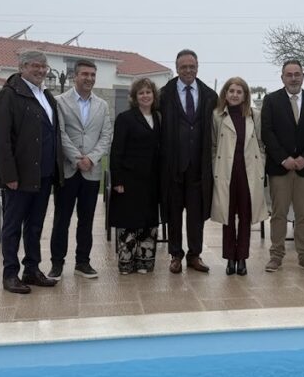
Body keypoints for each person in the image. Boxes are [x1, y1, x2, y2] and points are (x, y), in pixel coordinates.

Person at [0, 49, 63, 294]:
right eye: (35, 66)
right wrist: (9, 175)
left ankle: (32, 269)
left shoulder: (46, 96)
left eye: (44, 66)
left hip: (43, 174)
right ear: (22, 67)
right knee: (12, 227)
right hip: (19, 177)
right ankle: (10, 274)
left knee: (35, 226)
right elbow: (1, 140)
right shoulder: (9, 95)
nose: (41, 70)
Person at [260, 60, 304, 273]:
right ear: (282, 77)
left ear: (303, 76)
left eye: (297, 74)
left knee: (303, 214)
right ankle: (276, 256)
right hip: (280, 168)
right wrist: (283, 158)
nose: (293, 78)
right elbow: (267, 132)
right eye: (289, 75)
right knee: (279, 213)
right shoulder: (271, 100)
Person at [50, 59, 113, 279]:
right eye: (85, 74)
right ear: (75, 76)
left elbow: (106, 136)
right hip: (68, 170)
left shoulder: (102, 105)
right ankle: (57, 264)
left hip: (91, 172)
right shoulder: (59, 102)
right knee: (62, 219)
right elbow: (59, 133)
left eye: (93, 75)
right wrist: (77, 159)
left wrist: (91, 159)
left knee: (87, 220)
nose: (89, 78)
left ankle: (83, 262)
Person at [159, 49, 218, 274]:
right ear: (177, 68)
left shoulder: (210, 95)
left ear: (197, 67)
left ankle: (195, 255)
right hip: (172, 166)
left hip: (198, 166)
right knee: (174, 213)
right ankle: (176, 255)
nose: (188, 70)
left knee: (196, 215)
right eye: (183, 67)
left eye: (192, 66)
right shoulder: (164, 94)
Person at [211, 77, 267, 275]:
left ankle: (242, 257)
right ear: (225, 94)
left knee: (245, 216)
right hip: (226, 172)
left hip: (248, 172)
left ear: (245, 96)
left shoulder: (255, 115)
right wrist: (215, 168)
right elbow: (213, 146)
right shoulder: (217, 116)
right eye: (231, 91)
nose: (234, 95)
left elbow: (261, 144)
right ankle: (229, 258)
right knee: (227, 217)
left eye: (239, 92)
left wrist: (261, 166)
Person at [109, 78, 162, 274]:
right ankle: (126, 262)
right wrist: (117, 180)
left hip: (151, 179)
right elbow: (116, 151)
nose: (145, 96)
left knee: (148, 221)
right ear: (134, 97)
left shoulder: (158, 117)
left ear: (154, 95)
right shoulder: (125, 118)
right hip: (129, 179)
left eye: (148, 92)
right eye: (141, 93)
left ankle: (144, 261)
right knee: (128, 221)